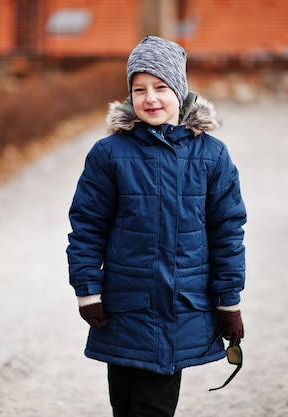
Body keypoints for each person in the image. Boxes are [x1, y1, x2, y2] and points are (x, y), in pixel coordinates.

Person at [67, 36, 247, 417]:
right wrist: (87, 290)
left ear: (179, 92)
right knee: (125, 405)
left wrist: (228, 301)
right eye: (139, 89)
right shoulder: (110, 154)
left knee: (152, 407)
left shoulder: (211, 155)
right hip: (124, 307)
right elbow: (87, 225)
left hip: (180, 309)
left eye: (161, 87)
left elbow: (228, 231)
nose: (150, 98)